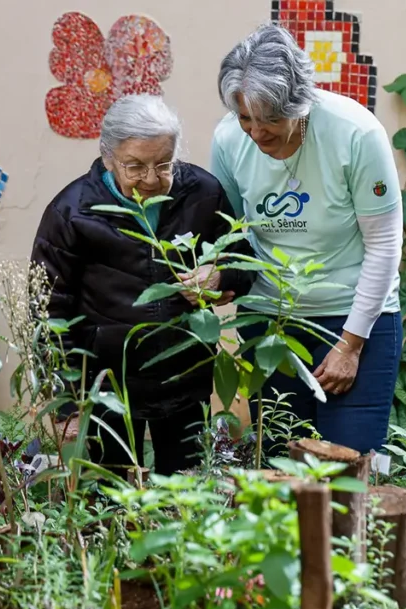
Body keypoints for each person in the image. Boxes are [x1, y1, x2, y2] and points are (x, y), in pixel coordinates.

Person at [32, 94, 255, 477]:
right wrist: (67, 403)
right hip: (107, 388)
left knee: (184, 496)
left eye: (163, 164)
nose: (151, 180)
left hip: (184, 381)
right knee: (111, 500)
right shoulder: (73, 212)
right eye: (134, 166)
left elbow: (242, 259)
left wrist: (220, 276)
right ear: (107, 157)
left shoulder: (202, 194)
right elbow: (47, 309)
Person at [210, 24, 404, 456]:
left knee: (348, 467)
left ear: (300, 103)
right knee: (280, 462)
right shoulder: (227, 140)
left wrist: (350, 345)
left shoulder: (355, 133)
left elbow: (385, 245)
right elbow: (230, 236)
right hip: (270, 323)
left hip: (354, 320)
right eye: (245, 118)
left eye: (270, 119)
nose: (257, 133)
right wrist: (216, 277)